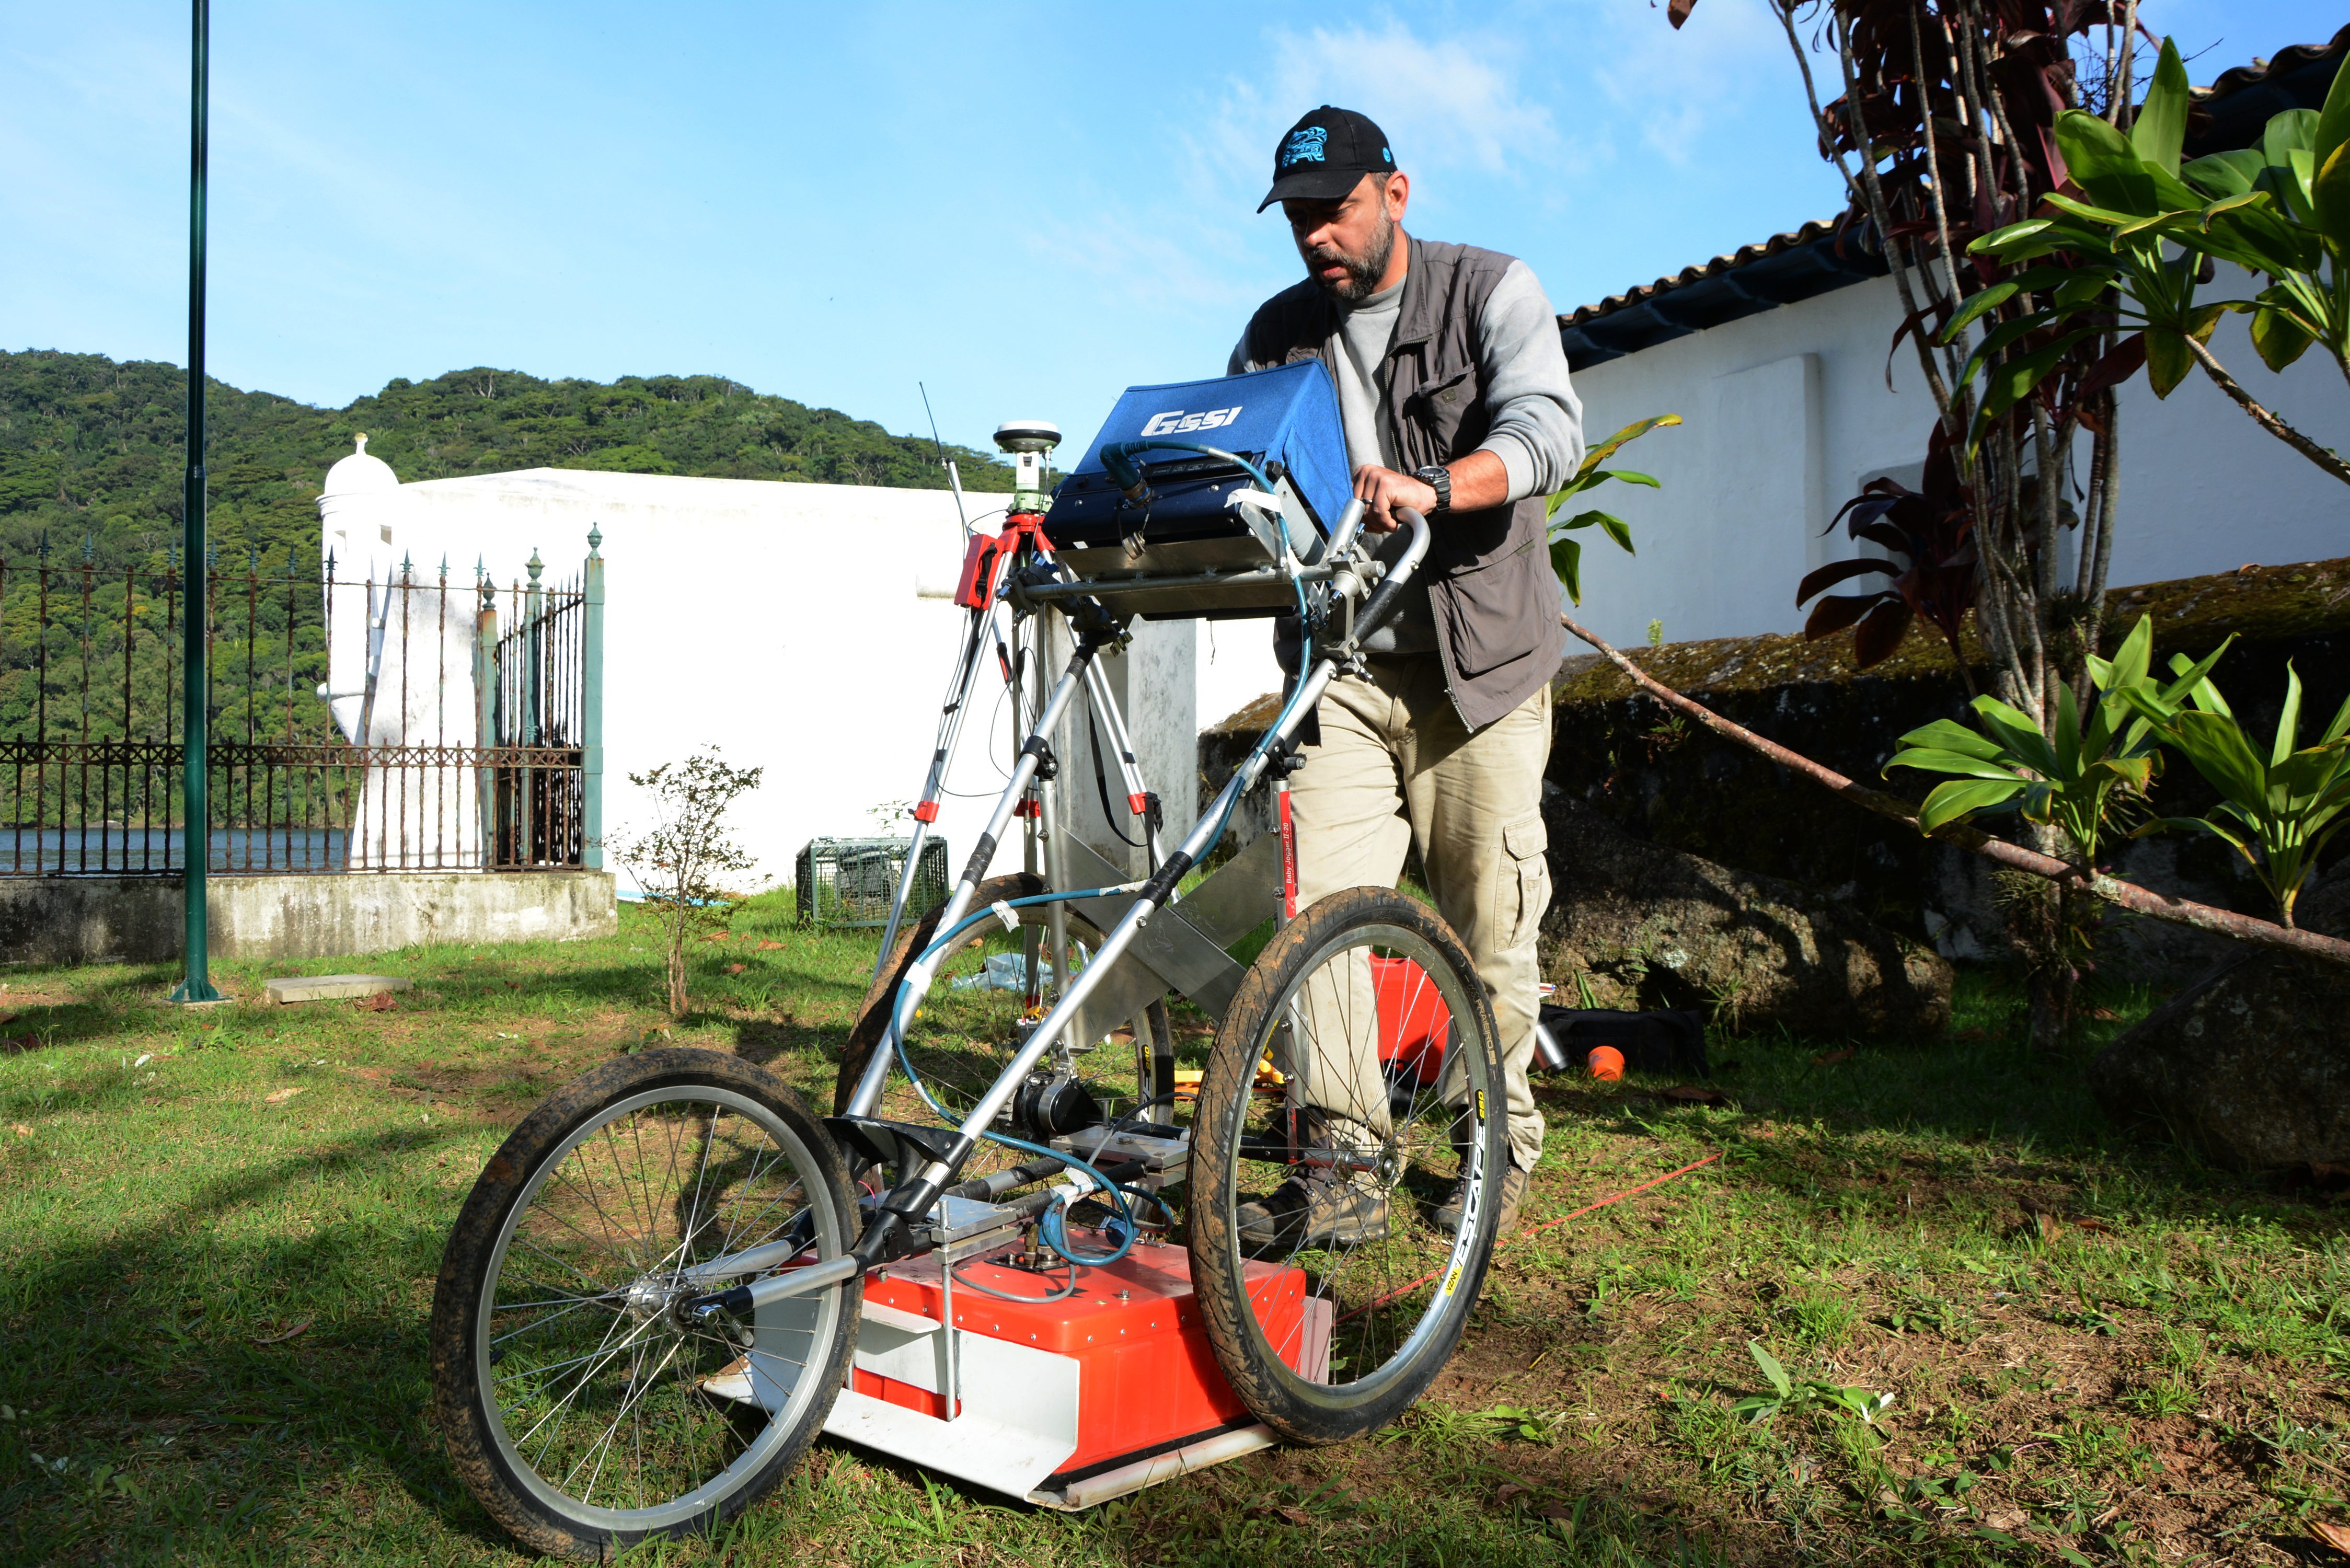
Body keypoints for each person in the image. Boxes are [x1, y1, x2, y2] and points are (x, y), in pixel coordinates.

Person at [1226, 106, 1582, 1248]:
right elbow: (1242, 467)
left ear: (1396, 192)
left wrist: (1442, 481)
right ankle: (1343, 1168)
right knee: (1318, 922)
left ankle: (1495, 1151)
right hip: (1341, 670)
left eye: (1334, 209)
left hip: (1479, 672)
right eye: (1297, 218)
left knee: (1489, 926)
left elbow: (1544, 432)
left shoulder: (1490, 290)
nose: (1315, 237)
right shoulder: (1276, 332)